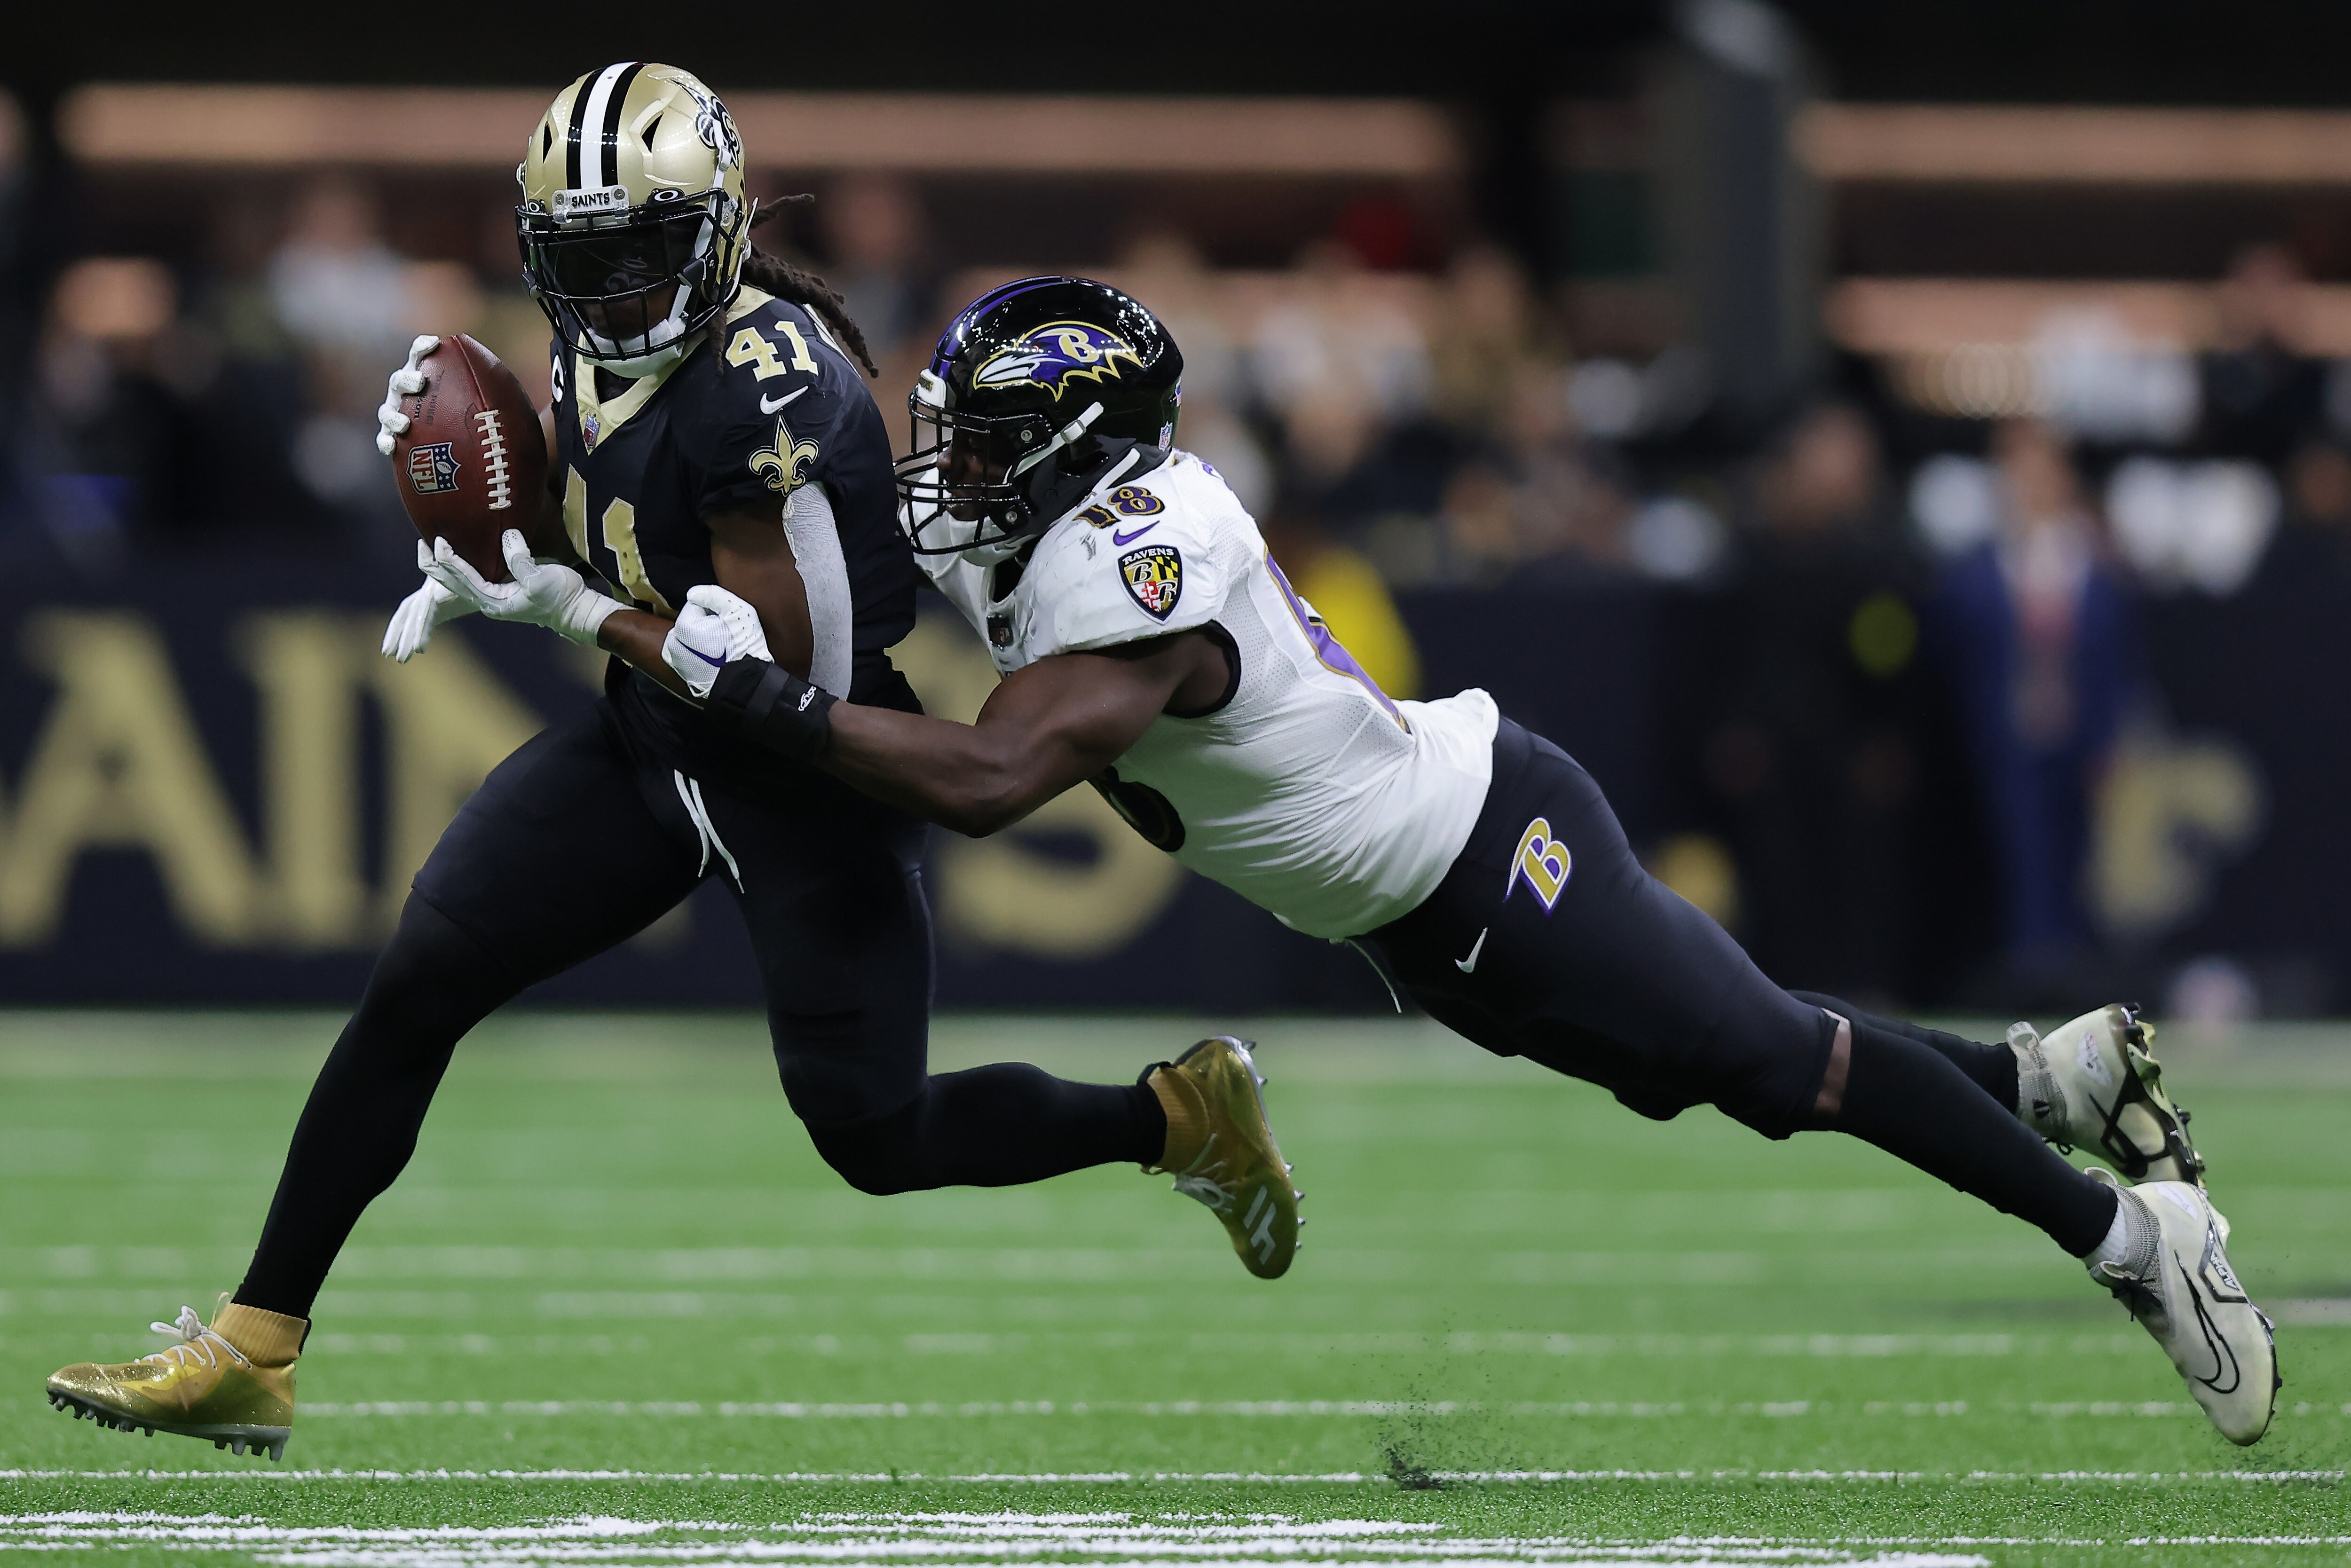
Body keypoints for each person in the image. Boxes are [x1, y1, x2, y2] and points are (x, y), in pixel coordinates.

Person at [664, 276, 2278, 1446]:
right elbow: (857, 499)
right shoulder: (1061, 521)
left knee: (1799, 1070)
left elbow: (990, 778)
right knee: (1719, 1074)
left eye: (990, 435)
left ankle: (2135, 1244)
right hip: (1428, 912)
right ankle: (2042, 1080)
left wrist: (757, 701)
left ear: (1083, 446)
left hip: (1497, 853)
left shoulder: (1136, 565)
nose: (957, 467)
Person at [40, 70, 1297, 1464]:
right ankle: (253, 1350)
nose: (620, 295)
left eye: (646, 257)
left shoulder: (777, 394)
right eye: (586, 264)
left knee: (875, 1138)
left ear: (714, 232)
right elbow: (648, 567)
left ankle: (1179, 1116)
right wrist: (500, 522)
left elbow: (790, 689)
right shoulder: (596, 343)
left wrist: (576, 608)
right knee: (418, 986)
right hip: (653, 744)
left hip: (812, 778)